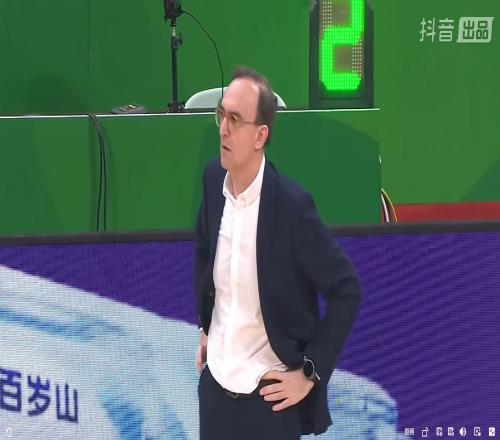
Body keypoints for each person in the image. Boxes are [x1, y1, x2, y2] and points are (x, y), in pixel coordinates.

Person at [194, 66, 361, 439]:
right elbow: (204, 251)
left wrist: (309, 373)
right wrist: (205, 326)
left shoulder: (291, 207)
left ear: (260, 135)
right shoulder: (212, 180)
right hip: (215, 394)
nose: (223, 129)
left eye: (235, 120)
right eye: (221, 115)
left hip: (269, 403)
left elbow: (346, 290)